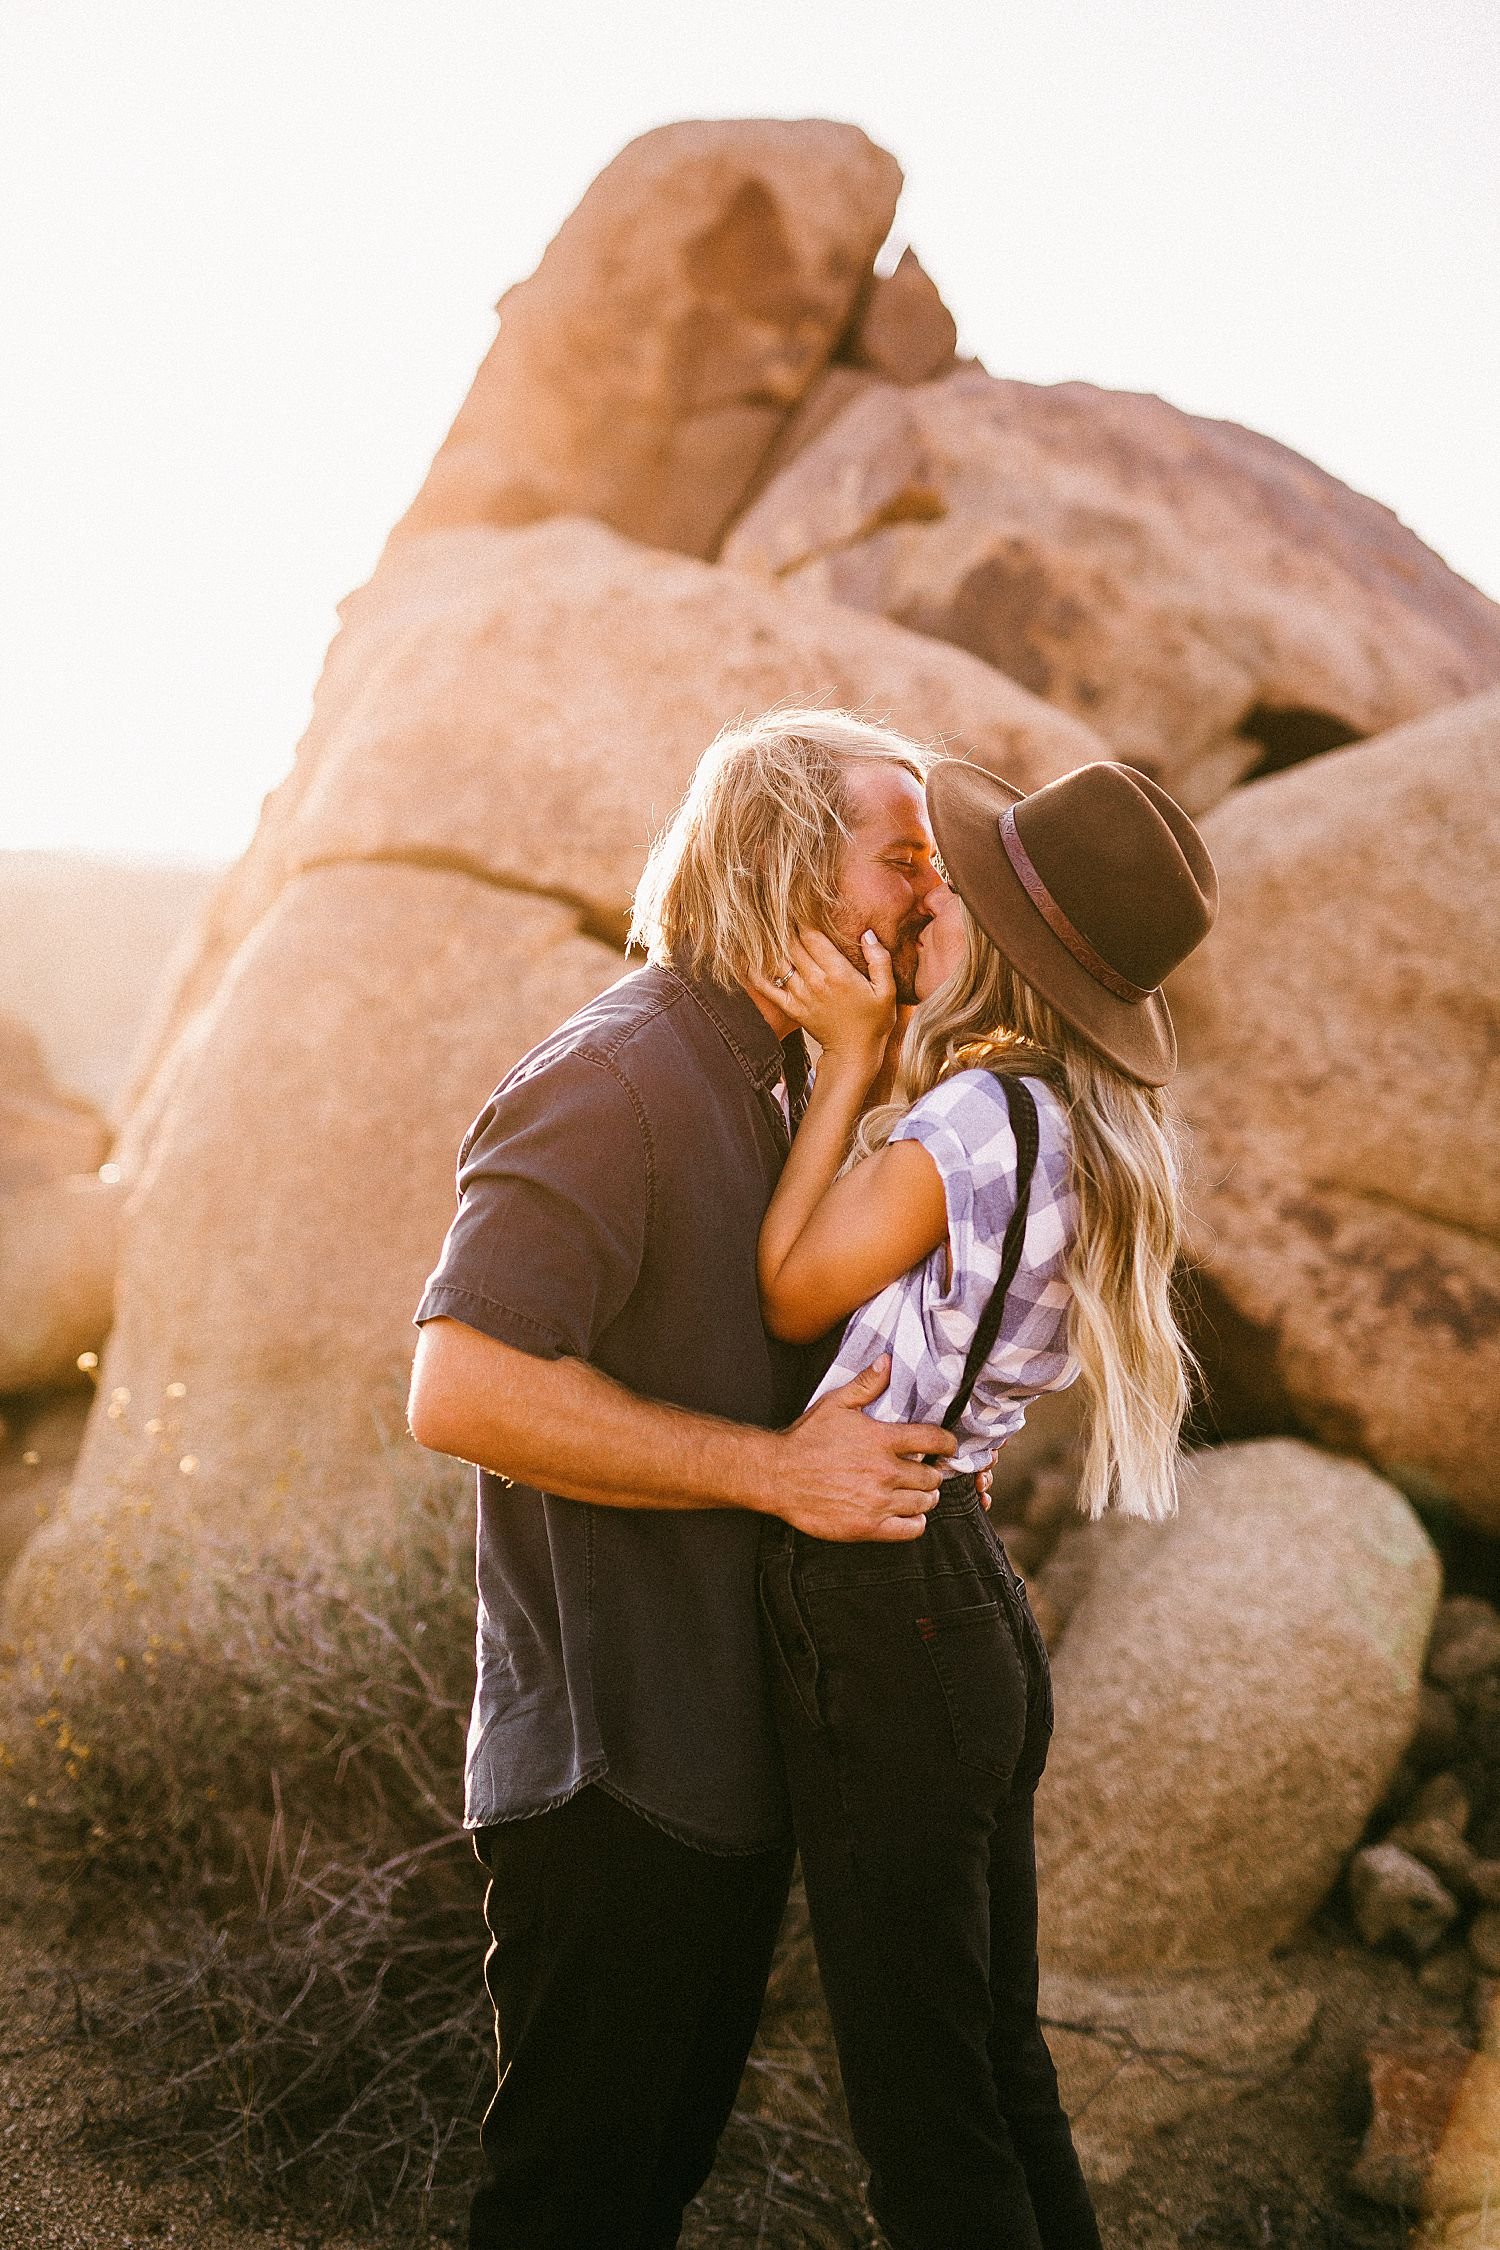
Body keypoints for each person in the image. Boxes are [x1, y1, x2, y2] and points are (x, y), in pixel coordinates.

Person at [405, 709, 996, 2250]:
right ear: (785, 862)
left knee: (644, 2196)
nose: (932, 899)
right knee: (570, 2207)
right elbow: (457, 1382)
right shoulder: (612, 1073)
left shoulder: (783, 1083)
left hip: (723, 1764)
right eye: (904, 859)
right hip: (612, 1770)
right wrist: (776, 1471)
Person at [752, 753, 1220, 2250]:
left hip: (891, 1613)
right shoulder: (1060, 1126)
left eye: (952, 888)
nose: (924, 896)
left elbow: (785, 1287)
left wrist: (842, 1065)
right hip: (966, 1606)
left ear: (1012, 954)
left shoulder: (964, 1130)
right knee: (997, 2065)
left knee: (926, 2118)